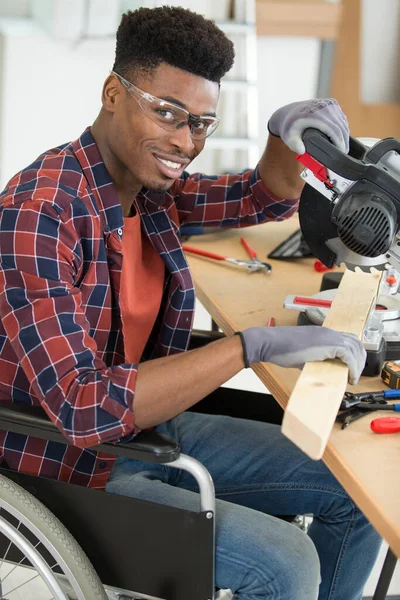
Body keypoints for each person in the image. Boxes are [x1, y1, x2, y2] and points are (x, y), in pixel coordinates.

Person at [0, 6, 380, 599]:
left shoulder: (148, 193)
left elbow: (262, 197)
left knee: (353, 494)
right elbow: (83, 408)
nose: (186, 142)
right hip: (68, 469)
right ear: (112, 93)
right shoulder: (39, 214)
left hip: (149, 427)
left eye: (201, 123)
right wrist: (248, 350)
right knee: (285, 564)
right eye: (168, 114)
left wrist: (288, 134)